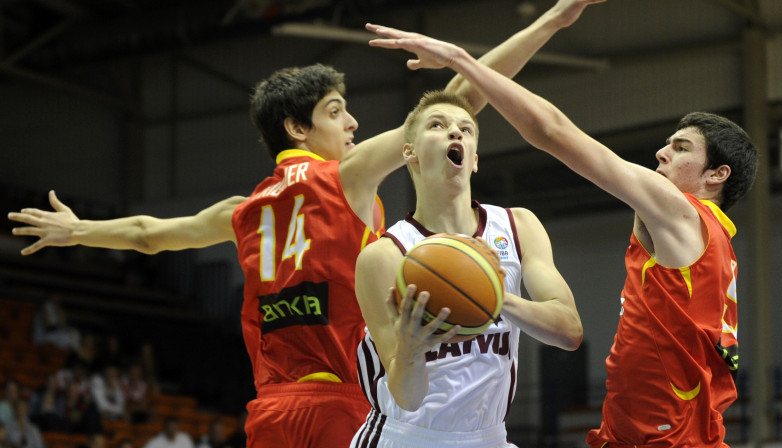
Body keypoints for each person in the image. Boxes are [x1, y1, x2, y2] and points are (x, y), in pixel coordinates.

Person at [7, 2, 600, 445]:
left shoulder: (242, 211)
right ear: (297, 129)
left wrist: (79, 230)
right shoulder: (345, 179)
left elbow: (147, 234)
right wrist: (550, 22)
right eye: (337, 113)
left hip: (270, 410)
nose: (352, 125)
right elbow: (457, 103)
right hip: (343, 401)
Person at [367, 23, 757, 447]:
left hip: (665, 437)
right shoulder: (713, 243)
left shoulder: (681, 214)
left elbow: (552, 131)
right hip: (638, 430)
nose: (662, 152)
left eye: (681, 148)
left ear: (717, 175)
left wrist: (460, 60)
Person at [350, 90, 583, 447]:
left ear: (474, 160)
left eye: (466, 129)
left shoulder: (518, 226)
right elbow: (406, 397)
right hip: (409, 437)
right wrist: (410, 350)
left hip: (490, 437)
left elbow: (569, 332)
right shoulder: (384, 256)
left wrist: (495, 297)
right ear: (409, 152)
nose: (455, 133)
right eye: (437, 125)